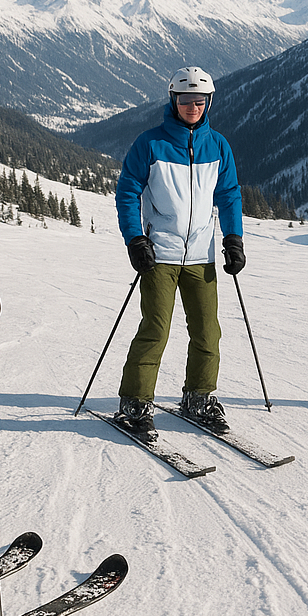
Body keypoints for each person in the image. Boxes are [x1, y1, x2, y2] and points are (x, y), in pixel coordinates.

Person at [113, 66, 244, 439]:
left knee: (207, 331)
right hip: (160, 254)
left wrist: (233, 239)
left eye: (199, 101)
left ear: (208, 102)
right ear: (173, 100)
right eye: (186, 100)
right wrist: (135, 239)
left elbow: (229, 194)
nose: (192, 107)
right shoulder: (150, 144)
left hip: (201, 254)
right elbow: (127, 192)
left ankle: (199, 397)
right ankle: (136, 404)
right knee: (155, 329)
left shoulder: (218, 146)